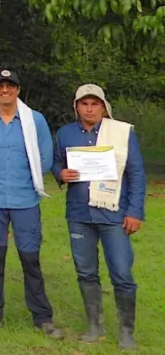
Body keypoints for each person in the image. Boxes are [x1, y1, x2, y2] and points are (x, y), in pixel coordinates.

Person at [52, 84, 143, 350]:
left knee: (122, 273)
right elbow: (57, 162)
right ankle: (95, 325)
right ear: (76, 107)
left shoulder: (120, 133)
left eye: (94, 104)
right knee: (85, 272)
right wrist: (60, 174)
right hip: (79, 215)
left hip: (114, 214)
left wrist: (135, 211)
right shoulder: (66, 133)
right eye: (84, 104)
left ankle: (126, 331)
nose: (89, 109)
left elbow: (136, 174)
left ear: (103, 107)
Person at [0, 70, 62, 338]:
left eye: (10, 86)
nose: (4, 90)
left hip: (25, 199)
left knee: (30, 259)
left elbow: (45, 156)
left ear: (18, 90)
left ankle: (42, 317)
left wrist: (31, 177)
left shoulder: (34, 119)